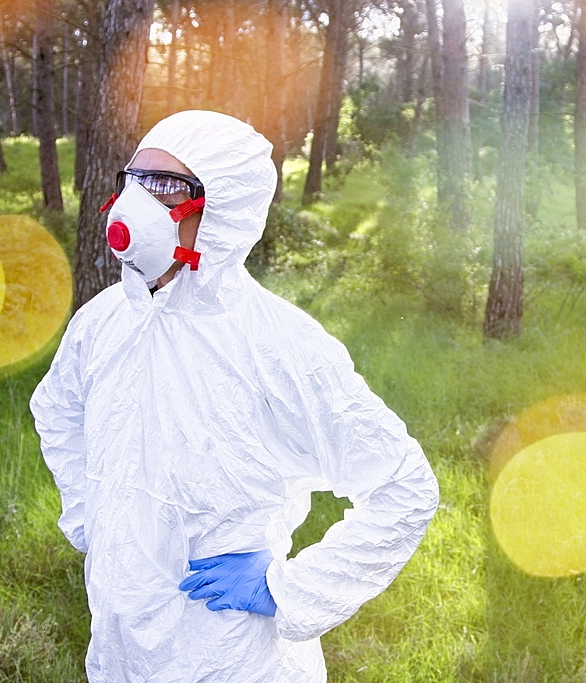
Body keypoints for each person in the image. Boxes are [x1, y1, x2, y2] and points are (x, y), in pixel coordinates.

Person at [30, 110, 439, 682]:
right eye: (132, 179)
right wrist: (92, 519)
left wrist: (288, 589)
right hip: (121, 643)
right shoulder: (105, 321)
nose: (135, 203)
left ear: (221, 210)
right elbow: (56, 410)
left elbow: (405, 486)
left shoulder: (279, 345)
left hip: (231, 653)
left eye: (166, 186)